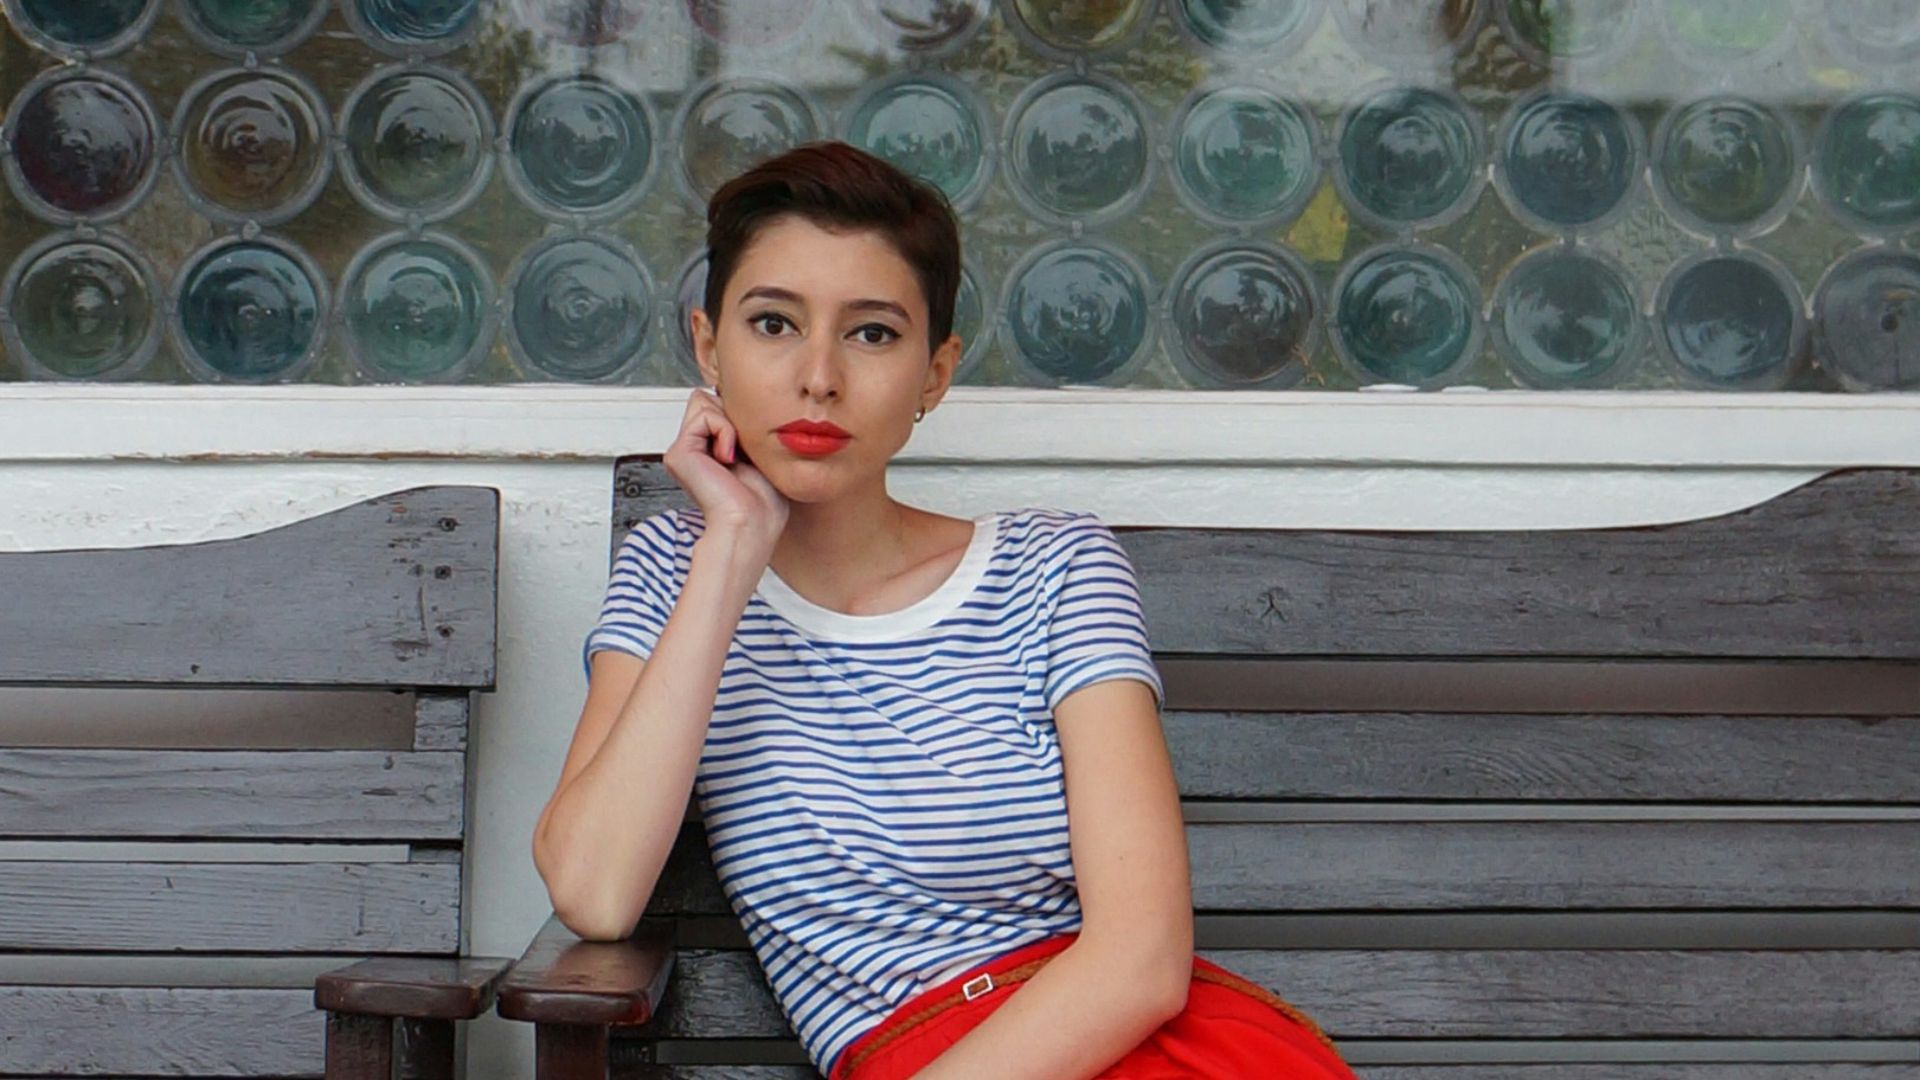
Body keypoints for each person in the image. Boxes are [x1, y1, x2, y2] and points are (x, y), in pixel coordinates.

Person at [532, 140, 1358, 1080]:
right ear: (708, 346)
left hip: (1133, 1049)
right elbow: (594, 893)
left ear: (935, 372)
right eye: (772, 323)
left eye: (872, 332)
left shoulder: (1056, 568)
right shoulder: (672, 572)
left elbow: (1141, 962)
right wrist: (729, 550)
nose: (818, 376)